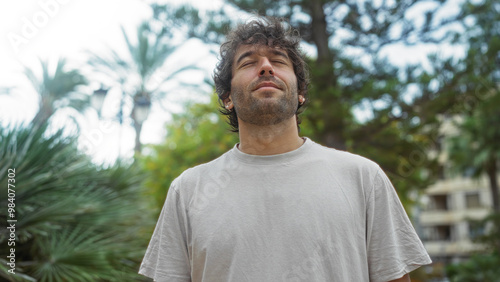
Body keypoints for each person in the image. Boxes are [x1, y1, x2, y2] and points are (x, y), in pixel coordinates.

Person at [139, 16, 431, 282]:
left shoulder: (363, 178)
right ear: (227, 97)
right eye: (248, 62)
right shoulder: (188, 191)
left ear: (300, 92)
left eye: (278, 61)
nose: (265, 67)